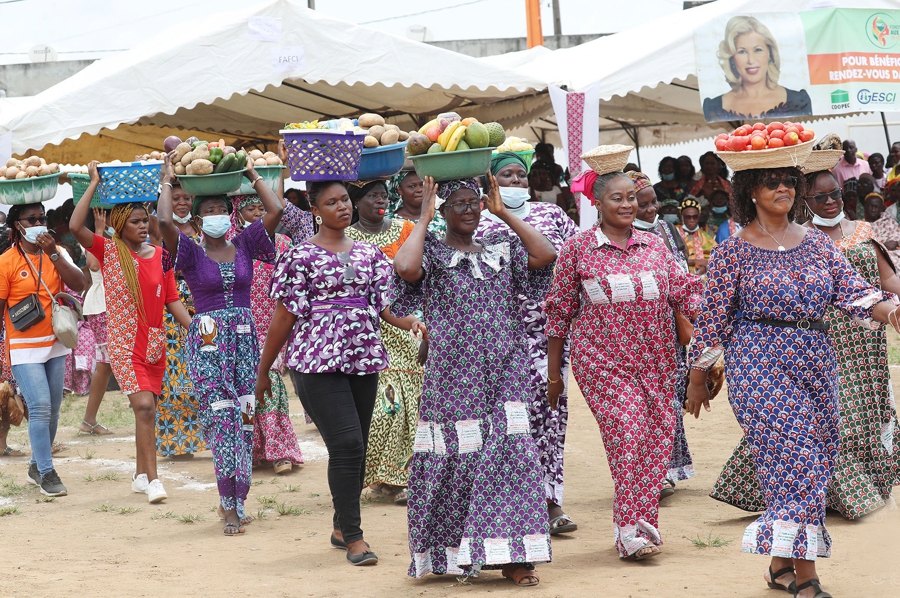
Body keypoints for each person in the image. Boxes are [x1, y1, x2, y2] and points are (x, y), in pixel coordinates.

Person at [686, 162, 900, 598]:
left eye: (789, 181)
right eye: (772, 182)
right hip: (758, 363)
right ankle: (807, 577)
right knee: (798, 458)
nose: (783, 188)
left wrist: (893, 312)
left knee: (812, 460)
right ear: (750, 191)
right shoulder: (734, 251)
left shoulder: (818, 245)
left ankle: (778, 565)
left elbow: (858, 295)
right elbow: (710, 322)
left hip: (816, 364)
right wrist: (696, 377)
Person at [393, 174, 556, 585]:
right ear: (443, 211)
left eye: (474, 202)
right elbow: (405, 268)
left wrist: (503, 213)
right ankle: (455, 553)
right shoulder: (429, 250)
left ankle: (515, 557)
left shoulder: (502, 249)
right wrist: (424, 220)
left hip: (507, 368)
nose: (469, 210)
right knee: (459, 459)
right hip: (454, 376)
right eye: (458, 204)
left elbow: (546, 254)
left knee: (511, 454)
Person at [544, 165, 702, 560]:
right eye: (618, 198)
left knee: (657, 442)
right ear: (597, 203)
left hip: (660, 362)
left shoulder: (655, 245)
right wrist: (553, 375)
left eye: (632, 197)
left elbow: (684, 295)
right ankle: (627, 529)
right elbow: (559, 313)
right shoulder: (578, 248)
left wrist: (720, 316)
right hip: (603, 365)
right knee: (628, 434)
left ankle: (645, 526)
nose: (628, 204)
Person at [256, 180, 394, 564]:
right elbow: (284, 316)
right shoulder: (299, 256)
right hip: (315, 361)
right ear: (315, 210)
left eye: (345, 200)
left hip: (363, 357)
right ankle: (354, 536)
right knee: (347, 444)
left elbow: (385, 306)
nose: (342, 207)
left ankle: (339, 525)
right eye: (331, 202)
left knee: (357, 447)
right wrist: (265, 369)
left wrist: (414, 322)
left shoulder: (371, 254)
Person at [158, 154, 282, 535]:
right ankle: (228, 506)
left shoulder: (245, 244)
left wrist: (251, 175)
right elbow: (163, 221)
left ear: (229, 215)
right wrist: (166, 180)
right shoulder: (191, 252)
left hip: (245, 342)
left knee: (245, 421)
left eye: (220, 209)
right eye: (207, 210)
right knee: (223, 419)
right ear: (197, 220)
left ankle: (238, 501)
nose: (215, 214)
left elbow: (275, 208)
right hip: (209, 341)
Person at [71, 165, 192, 504]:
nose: (142, 226)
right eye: (135, 221)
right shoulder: (109, 252)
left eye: (145, 220)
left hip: (155, 344)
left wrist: (196, 328)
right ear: (119, 223)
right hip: (124, 344)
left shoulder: (162, 257)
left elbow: (171, 299)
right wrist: (94, 184)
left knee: (148, 408)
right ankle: (154, 480)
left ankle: (140, 474)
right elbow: (74, 226)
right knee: (144, 408)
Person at [478, 152, 580, 533]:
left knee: (549, 416)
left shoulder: (552, 215)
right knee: (503, 419)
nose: (517, 182)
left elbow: (572, 261)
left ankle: (550, 501)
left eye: (522, 176)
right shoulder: (475, 217)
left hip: (547, 336)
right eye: (507, 175)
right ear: (491, 181)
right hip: (496, 335)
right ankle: (507, 502)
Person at [344, 179, 423, 504]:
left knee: (415, 403)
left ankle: (404, 478)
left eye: (383, 194)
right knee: (386, 408)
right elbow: (349, 286)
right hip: (371, 328)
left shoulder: (406, 228)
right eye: (372, 195)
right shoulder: (347, 240)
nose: (380, 200)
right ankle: (378, 475)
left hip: (409, 322)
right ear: (356, 202)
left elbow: (419, 271)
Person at [0, 206, 85, 495]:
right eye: (31, 220)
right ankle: (48, 474)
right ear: (17, 225)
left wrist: (54, 255)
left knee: (54, 411)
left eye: (42, 219)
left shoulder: (57, 252)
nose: (38, 224)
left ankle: (37, 465)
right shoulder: (6, 261)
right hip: (23, 346)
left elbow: (79, 283)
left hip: (56, 342)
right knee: (39, 407)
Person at [229, 193, 305, 476]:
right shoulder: (234, 244)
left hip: (275, 325)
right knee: (245, 388)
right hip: (242, 325)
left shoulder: (285, 243)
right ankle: (251, 450)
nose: (258, 214)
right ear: (238, 213)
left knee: (270, 382)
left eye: (262, 208)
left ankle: (279, 451)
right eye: (250, 209)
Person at [629, 170, 695, 496]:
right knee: (644, 400)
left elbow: (683, 271)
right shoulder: (620, 235)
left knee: (669, 399)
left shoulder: (667, 230)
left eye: (653, 202)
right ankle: (651, 471)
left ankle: (667, 468)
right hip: (637, 331)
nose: (651, 208)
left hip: (670, 327)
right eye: (643, 204)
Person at [156, 179, 206, 458]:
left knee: (204, 372)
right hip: (170, 309)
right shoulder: (159, 229)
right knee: (174, 376)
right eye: (176, 198)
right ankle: (177, 442)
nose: (183, 203)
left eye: (187, 198)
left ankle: (208, 437)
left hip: (204, 305)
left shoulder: (202, 228)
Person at [702, 15, 812, 121]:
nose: (751, 60)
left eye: (757, 50)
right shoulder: (712, 107)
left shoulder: (799, 101)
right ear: (732, 58)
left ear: (769, 53)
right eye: (742, 51)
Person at [79, 207, 113, 436]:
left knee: (108, 365)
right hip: (102, 306)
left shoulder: (124, 236)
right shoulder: (94, 237)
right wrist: (99, 230)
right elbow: (93, 264)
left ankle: (89, 420)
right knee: (105, 364)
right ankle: (88, 420)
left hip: (117, 303)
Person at [388, 167, 447, 235]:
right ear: (400, 190)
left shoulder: (442, 217)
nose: (419, 190)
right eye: (412, 186)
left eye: (422, 185)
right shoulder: (389, 222)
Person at [678, 197, 717, 275]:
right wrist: (695, 261)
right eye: (688, 217)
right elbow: (671, 258)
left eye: (695, 217)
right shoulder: (675, 234)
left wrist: (705, 265)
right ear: (682, 217)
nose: (692, 220)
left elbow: (716, 258)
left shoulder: (708, 236)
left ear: (699, 217)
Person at [866, 192, 900, 267]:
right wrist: (883, 246)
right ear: (865, 207)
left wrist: (896, 243)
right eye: (870, 206)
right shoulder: (859, 225)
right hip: (874, 258)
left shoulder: (889, 221)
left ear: (881, 208)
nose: (873, 210)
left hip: (894, 254)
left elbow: (896, 240)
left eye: (876, 207)